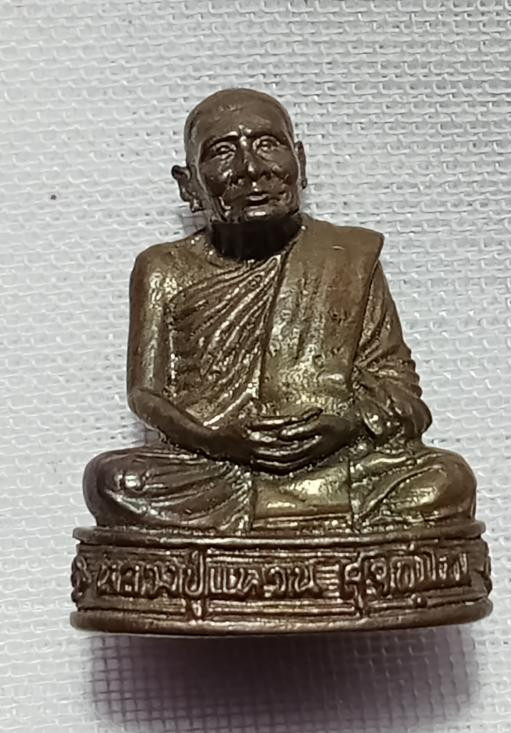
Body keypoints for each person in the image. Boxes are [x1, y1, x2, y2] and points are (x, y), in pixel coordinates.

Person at [84, 88, 475, 534]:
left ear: (300, 162)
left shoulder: (346, 256)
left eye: (268, 144)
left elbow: (400, 390)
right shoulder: (164, 269)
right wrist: (217, 440)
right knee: (111, 480)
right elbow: (145, 395)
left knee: (447, 479)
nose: (251, 169)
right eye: (222, 152)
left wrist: (346, 425)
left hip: (337, 464)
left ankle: (274, 525)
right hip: (217, 466)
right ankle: (299, 524)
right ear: (188, 183)